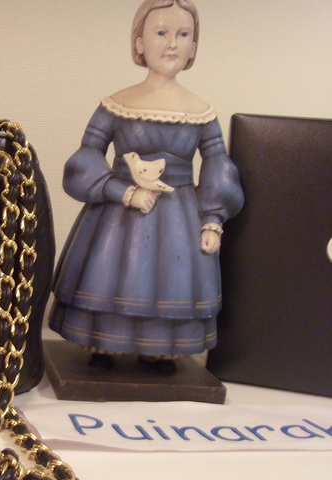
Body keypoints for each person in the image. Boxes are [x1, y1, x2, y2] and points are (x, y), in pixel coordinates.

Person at [49, 0, 244, 371]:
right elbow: (86, 157)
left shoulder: (200, 111)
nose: (172, 43)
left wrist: (213, 219)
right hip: (118, 212)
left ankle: (158, 349)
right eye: (161, 32)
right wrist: (122, 191)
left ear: (194, 46)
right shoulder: (117, 104)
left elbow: (218, 165)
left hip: (179, 218)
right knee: (110, 274)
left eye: (183, 34)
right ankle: (103, 342)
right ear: (139, 42)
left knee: (173, 280)